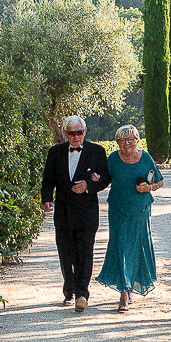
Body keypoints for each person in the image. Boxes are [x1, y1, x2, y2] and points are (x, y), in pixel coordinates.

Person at [41, 116, 112, 313]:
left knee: (85, 253)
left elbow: (105, 178)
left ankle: (82, 294)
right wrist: (47, 198)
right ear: (65, 133)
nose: (76, 137)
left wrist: (88, 185)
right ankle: (69, 289)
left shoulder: (97, 151)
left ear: (85, 132)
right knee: (66, 253)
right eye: (72, 133)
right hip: (63, 211)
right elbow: (48, 179)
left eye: (79, 132)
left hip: (87, 212)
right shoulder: (55, 152)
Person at [95, 126, 163, 312]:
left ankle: (130, 286)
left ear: (137, 140)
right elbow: (103, 179)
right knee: (121, 247)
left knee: (137, 247)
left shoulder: (146, 158)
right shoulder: (113, 159)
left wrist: (148, 188)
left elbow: (159, 181)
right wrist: (93, 178)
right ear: (117, 142)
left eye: (130, 140)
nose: (126, 144)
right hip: (118, 209)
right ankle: (124, 292)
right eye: (122, 141)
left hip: (141, 209)